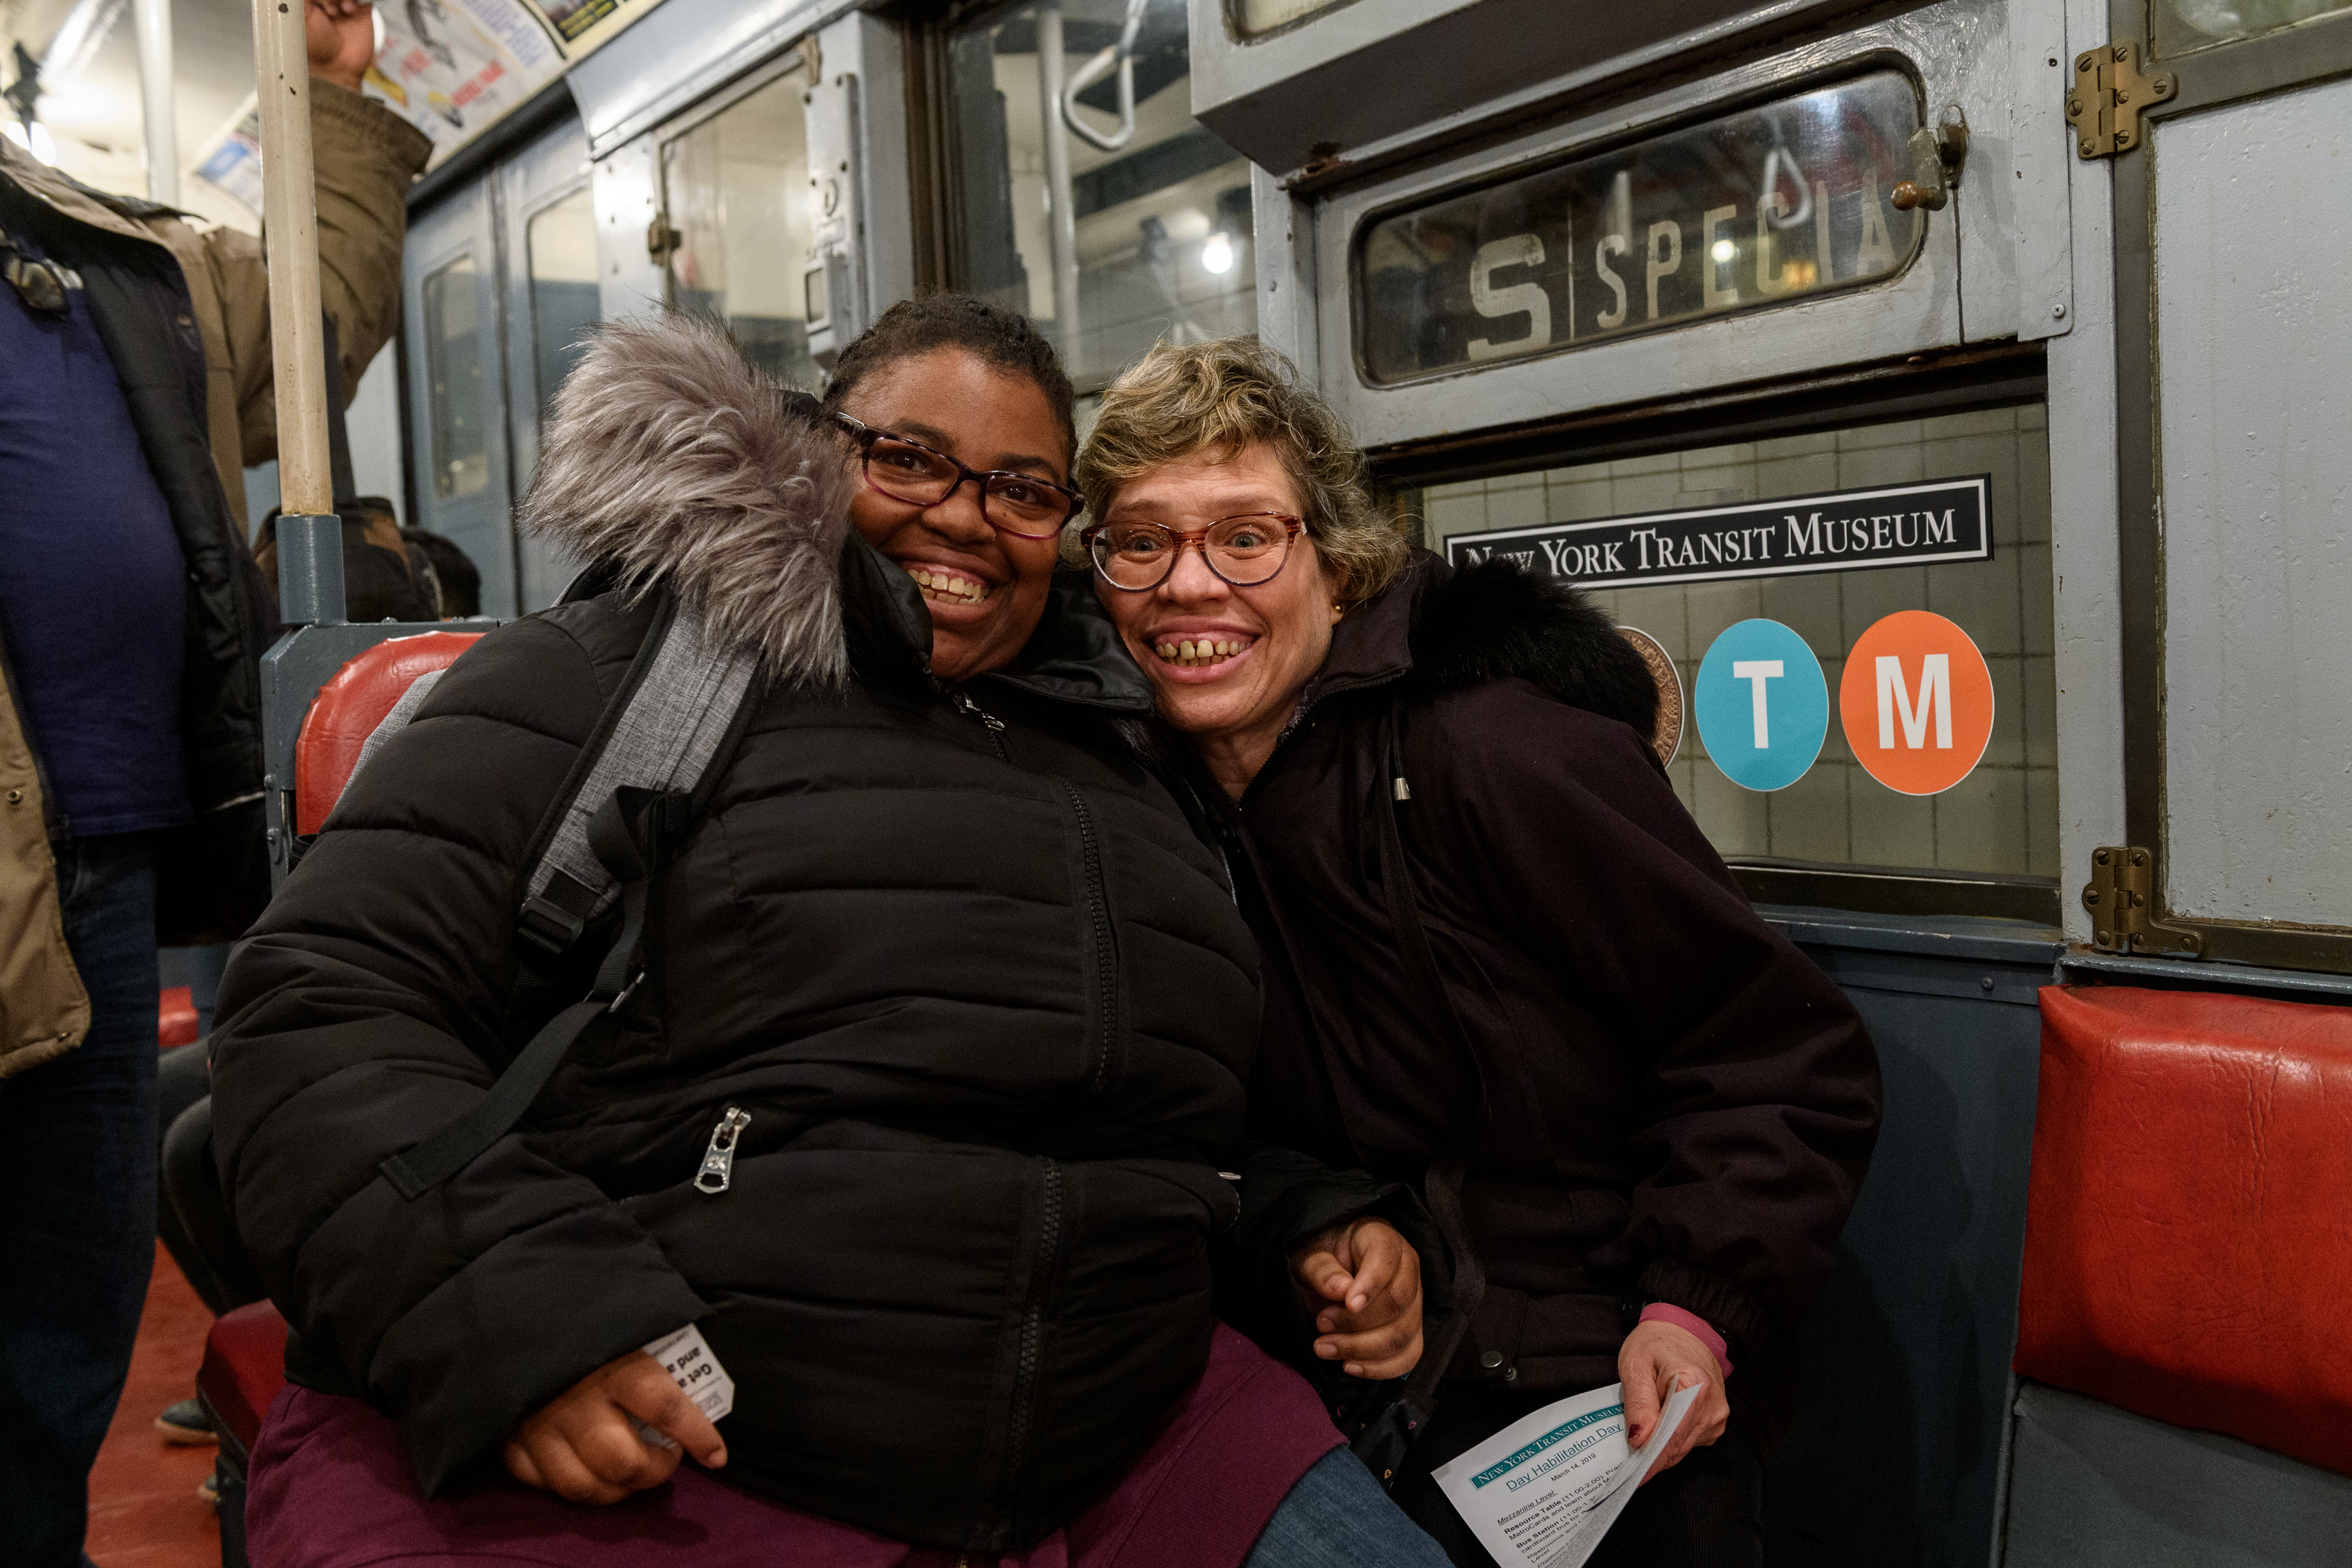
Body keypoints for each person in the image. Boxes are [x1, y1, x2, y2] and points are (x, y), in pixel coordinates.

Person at [207, 299, 1449, 1566]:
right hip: (699, 1421)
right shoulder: (627, 677)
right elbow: (319, 1004)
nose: (965, 513)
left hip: (1122, 1432)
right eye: (908, 459)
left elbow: (1175, 1123)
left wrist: (1312, 1220)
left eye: (1022, 490)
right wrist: (525, 1315)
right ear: (814, 450)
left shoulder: (1135, 764)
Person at [1074, 337, 1884, 1567]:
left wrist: (1695, 1307)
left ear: (1336, 566)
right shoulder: (1138, 814)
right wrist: (1330, 1233)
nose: (1191, 586)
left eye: (1246, 537)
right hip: (1360, 1382)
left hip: (1599, 1363)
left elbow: (1775, 1045)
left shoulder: (1491, 752)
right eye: (1143, 543)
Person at [0, 4, 429, 1560]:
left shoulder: (98, 250)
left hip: (101, 869)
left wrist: (323, 104)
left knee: (58, 1342)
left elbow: (300, 351)